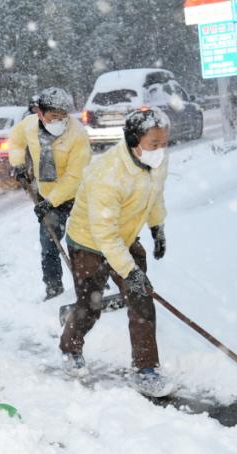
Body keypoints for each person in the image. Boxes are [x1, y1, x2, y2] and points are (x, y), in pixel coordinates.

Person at [58, 107, 171, 396]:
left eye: (164, 142)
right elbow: (104, 235)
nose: (161, 149)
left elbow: (155, 194)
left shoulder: (157, 160)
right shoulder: (108, 173)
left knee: (142, 302)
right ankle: (70, 348)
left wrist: (157, 228)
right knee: (90, 306)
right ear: (134, 140)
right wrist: (130, 271)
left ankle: (146, 369)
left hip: (123, 236)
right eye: (154, 143)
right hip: (89, 243)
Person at [8, 87, 92, 301]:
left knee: (84, 244)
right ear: (40, 113)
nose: (59, 121)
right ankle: (53, 290)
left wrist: (50, 202)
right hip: (48, 196)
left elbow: (75, 177)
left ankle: (95, 286)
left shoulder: (77, 134)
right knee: (49, 246)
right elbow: (15, 140)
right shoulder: (29, 126)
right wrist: (18, 164)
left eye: (63, 116)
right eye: (54, 116)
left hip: (79, 196)